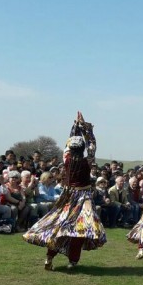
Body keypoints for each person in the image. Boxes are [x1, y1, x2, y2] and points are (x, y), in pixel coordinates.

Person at [23, 112, 106, 270]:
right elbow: (92, 145)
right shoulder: (87, 161)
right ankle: (73, 261)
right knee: (79, 230)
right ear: (81, 148)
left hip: (67, 197)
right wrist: (87, 130)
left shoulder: (66, 159)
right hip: (83, 198)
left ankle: (49, 258)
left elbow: (68, 144)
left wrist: (75, 126)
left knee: (59, 227)